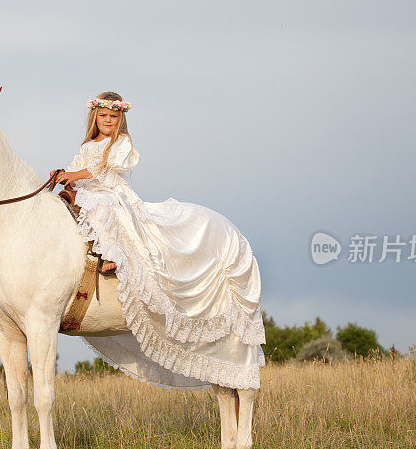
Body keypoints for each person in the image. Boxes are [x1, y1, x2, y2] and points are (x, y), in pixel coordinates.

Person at [51, 91, 265, 389]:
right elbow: (81, 169)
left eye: (113, 117)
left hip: (111, 193)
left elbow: (105, 170)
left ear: (120, 119)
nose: (108, 121)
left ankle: (113, 256)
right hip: (89, 193)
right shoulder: (88, 145)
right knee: (75, 209)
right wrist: (66, 176)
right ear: (95, 118)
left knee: (106, 211)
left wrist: (74, 173)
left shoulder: (121, 144)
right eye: (103, 116)